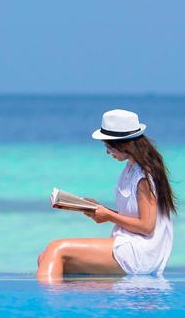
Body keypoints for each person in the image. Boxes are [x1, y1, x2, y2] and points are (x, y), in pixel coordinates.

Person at [37, 109, 176, 282]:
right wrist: (98, 209)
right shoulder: (131, 170)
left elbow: (147, 227)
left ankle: (43, 305)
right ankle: (58, 302)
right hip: (129, 242)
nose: (108, 152)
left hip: (140, 251)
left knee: (55, 249)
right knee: (44, 257)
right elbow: (136, 219)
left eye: (109, 147)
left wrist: (108, 215)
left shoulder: (143, 177)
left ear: (124, 145)